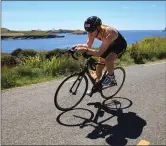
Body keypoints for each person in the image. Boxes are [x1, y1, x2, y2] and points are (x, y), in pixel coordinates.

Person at [75, 16, 127, 87]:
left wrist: (86, 50)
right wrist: (77, 47)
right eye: (88, 31)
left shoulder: (109, 33)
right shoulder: (91, 30)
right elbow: (88, 44)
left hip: (119, 45)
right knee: (100, 64)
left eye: (91, 31)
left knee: (108, 60)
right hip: (109, 44)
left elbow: (98, 53)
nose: (90, 33)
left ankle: (111, 78)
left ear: (98, 28)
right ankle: (97, 82)